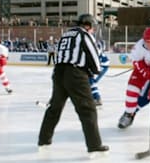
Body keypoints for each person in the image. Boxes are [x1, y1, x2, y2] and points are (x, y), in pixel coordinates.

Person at [37, 14, 109, 156]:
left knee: (54, 108)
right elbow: (93, 56)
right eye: (93, 27)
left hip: (58, 72)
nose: (93, 30)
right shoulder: (84, 34)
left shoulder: (66, 34)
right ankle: (94, 145)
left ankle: (43, 140)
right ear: (87, 25)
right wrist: (96, 70)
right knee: (88, 110)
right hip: (75, 74)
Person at [89, 40, 110, 106]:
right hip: (101, 66)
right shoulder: (95, 47)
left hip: (102, 67)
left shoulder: (96, 49)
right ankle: (94, 97)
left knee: (92, 81)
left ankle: (97, 98)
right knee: (91, 81)